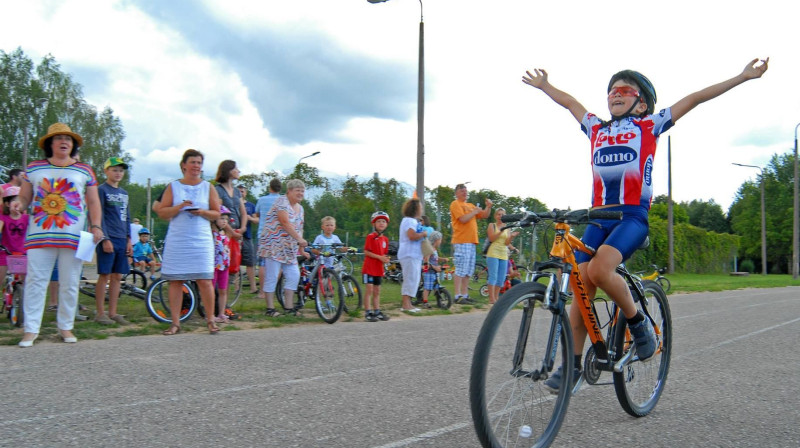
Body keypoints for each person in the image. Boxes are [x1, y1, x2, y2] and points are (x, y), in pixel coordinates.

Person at [521, 57, 769, 391]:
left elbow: (695, 98)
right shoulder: (597, 128)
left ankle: (638, 326)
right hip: (597, 217)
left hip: (632, 217)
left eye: (624, 90)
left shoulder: (649, 126)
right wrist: (545, 86)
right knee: (581, 286)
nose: (614, 94)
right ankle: (574, 365)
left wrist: (743, 76)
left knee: (599, 270)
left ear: (642, 103)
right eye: (611, 91)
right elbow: (570, 103)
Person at [11, 123, 104, 347]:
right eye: (59, 138)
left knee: (70, 282)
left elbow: (93, 201)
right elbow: (24, 198)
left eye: (68, 139)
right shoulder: (34, 168)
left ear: (72, 145)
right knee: (36, 282)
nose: (64, 142)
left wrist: (97, 226)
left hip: (72, 235)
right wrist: (17, 204)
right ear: (49, 143)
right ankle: (31, 330)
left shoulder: (84, 169)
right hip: (40, 234)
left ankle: (66, 327)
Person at [153, 148, 222, 335]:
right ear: (184, 165)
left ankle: (210, 320)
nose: (196, 166)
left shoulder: (208, 187)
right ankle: (175, 322)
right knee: (175, 281)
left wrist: (202, 212)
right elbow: (161, 211)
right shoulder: (173, 186)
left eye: (199, 163)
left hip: (201, 239)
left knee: (205, 280)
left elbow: (217, 212)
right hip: (178, 238)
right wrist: (180, 206)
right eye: (193, 162)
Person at [258, 179, 307, 317]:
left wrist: (301, 247)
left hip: (289, 247)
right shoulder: (281, 201)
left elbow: (299, 227)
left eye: (302, 191)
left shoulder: (300, 208)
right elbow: (285, 222)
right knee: (272, 275)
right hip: (274, 244)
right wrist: (299, 239)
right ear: (289, 191)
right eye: (297, 190)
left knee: (294, 275)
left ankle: (289, 307)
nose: (300, 193)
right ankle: (270, 308)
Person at [94, 157, 133, 326]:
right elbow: (98, 215)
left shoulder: (124, 193)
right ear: (106, 171)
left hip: (121, 239)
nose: (118, 173)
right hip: (107, 238)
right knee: (105, 275)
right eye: (114, 170)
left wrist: (129, 239)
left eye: (121, 170)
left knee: (117, 276)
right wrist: (104, 238)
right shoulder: (101, 190)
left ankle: (113, 312)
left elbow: (127, 217)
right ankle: (100, 312)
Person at [450, 183, 492, 304]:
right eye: (462, 191)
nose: (465, 192)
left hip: (471, 241)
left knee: (468, 270)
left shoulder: (470, 205)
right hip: (462, 241)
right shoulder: (455, 204)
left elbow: (484, 215)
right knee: (460, 268)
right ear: (456, 193)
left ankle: (465, 295)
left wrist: (488, 207)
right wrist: (474, 212)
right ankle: (457, 296)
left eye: (466, 191)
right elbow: (462, 219)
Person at [254, 178, 281, 303]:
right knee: (279, 263)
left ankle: (262, 291)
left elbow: (257, 214)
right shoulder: (283, 200)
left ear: (269, 187)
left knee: (263, 264)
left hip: (263, 234)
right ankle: (273, 288)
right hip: (279, 235)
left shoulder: (262, 200)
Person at [398, 198, 427, 313]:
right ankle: (405, 304)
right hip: (409, 254)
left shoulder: (411, 221)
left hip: (413, 254)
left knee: (414, 279)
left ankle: (409, 303)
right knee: (410, 278)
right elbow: (411, 235)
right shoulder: (410, 221)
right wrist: (423, 234)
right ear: (416, 209)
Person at [485, 207, 518, 305]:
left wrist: (511, 237)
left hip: (503, 254)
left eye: (502, 215)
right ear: (495, 216)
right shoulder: (492, 225)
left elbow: (506, 243)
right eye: (499, 214)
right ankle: (491, 299)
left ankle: (496, 297)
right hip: (493, 253)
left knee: (501, 278)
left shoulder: (507, 228)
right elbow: (491, 238)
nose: (500, 216)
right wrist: (500, 230)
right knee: (493, 276)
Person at [362, 211, 391, 322]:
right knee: (369, 290)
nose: (381, 223)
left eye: (383, 221)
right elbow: (366, 252)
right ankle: (368, 312)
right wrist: (379, 257)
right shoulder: (371, 237)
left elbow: (384, 253)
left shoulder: (385, 239)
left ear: (386, 224)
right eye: (378, 221)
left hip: (379, 269)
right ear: (374, 224)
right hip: (369, 268)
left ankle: (377, 311)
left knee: (377, 291)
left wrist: (386, 259)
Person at [0, 186, 29, 285]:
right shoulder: (3, 218)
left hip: (23, 253)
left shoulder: (27, 218)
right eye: (15, 201)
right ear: (7, 204)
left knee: (27, 282)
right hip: (6, 252)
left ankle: (23, 296)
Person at [212, 206, 234, 324]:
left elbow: (234, 234)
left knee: (223, 290)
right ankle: (210, 314)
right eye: (221, 218)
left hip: (224, 266)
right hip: (214, 266)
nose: (224, 221)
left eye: (226, 219)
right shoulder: (212, 233)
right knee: (211, 289)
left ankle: (221, 313)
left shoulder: (226, 233)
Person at [237, 184, 259, 294]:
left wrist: (248, 217)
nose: (241, 193)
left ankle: (253, 287)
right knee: (235, 263)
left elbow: (256, 220)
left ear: (245, 193)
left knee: (250, 262)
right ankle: (237, 288)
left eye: (242, 191)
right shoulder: (233, 204)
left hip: (247, 236)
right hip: (235, 235)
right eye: (239, 191)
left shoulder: (250, 205)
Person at [420, 231, 444, 308]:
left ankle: (439, 302)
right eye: (440, 240)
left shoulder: (434, 250)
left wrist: (443, 259)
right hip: (429, 271)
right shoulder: (430, 250)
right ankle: (425, 302)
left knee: (436, 286)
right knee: (427, 287)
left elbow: (435, 258)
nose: (441, 241)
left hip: (434, 271)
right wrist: (434, 267)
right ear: (436, 240)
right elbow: (426, 261)